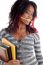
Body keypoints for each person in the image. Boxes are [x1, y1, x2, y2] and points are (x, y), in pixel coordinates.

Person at [0, 0, 43, 65]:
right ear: (18, 11)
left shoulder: (34, 34)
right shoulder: (4, 33)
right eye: (27, 12)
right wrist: (6, 64)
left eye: (32, 14)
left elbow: (39, 58)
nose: (30, 17)